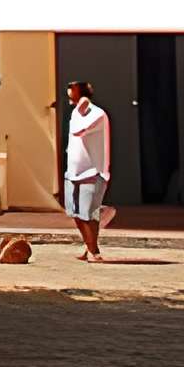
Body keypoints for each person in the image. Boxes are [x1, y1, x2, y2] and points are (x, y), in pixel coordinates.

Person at [63, 78, 118, 261]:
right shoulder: (75, 113)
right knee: (75, 214)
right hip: (73, 173)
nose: (69, 97)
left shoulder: (97, 114)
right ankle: (89, 246)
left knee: (88, 214)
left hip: (92, 172)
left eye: (73, 92)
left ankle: (94, 251)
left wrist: (79, 110)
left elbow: (79, 130)